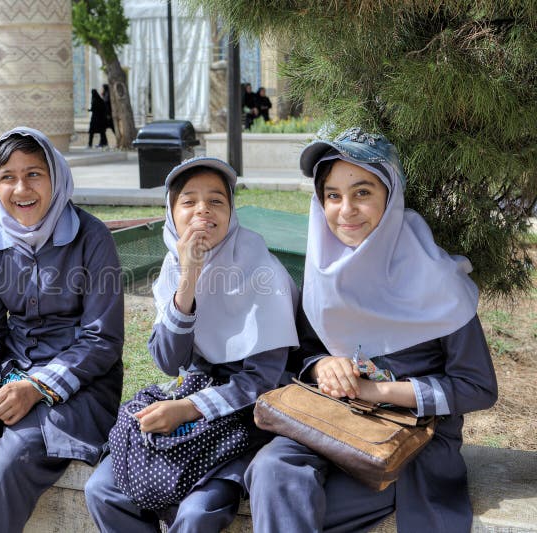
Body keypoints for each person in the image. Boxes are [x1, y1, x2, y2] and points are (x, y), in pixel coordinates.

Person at [245, 127, 498, 532]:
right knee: (273, 470)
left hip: (412, 443)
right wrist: (324, 365)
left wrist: (374, 391)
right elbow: (303, 355)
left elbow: (478, 386)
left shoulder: (437, 281)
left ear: (390, 197)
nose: (346, 209)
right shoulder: (323, 273)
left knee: (300, 508)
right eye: (333, 195)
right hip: (333, 422)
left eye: (362, 192)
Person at [0, 126, 124, 533]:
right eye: (7, 177)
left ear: (56, 176)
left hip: (78, 391)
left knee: (10, 461)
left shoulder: (91, 237)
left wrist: (37, 388)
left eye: (34, 173)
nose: (20, 188)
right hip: (6, 379)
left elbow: (102, 339)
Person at [85, 157, 299, 532]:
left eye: (216, 201)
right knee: (103, 490)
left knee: (198, 512)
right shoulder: (173, 267)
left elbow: (264, 381)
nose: (203, 209)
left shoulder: (264, 273)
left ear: (232, 213)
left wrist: (187, 409)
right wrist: (188, 281)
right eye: (189, 201)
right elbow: (170, 361)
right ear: (171, 213)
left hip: (247, 416)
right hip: (192, 400)